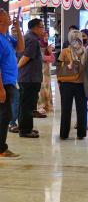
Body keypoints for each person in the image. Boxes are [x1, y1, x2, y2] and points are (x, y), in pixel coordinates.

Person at [58, 30, 88, 140]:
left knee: (79, 109)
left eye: (78, 38)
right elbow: (60, 68)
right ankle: (65, 133)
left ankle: (78, 133)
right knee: (69, 109)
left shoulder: (85, 52)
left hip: (77, 84)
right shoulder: (69, 51)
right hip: (69, 84)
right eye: (74, 38)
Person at [0, 9, 24, 158]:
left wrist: (18, 29)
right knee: (5, 115)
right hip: (4, 83)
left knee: (5, 115)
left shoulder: (6, 37)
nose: (11, 17)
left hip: (9, 81)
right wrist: (1, 87)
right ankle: (1, 148)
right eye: (7, 16)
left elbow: (21, 48)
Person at [18, 18, 45, 138]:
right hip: (30, 78)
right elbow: (27, 57)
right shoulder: (33, 40)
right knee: (28, 105)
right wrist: (16, 68)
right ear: (34, 27)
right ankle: (25, 130)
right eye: (41, 26)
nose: (43, 29)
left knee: (25, 104)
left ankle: (25, 127)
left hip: (27, 77)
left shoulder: (28, 37)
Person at [8, 24, 22, 134]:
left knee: (15, 99)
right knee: (15, 98)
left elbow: (20, 47)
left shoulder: (8, 38)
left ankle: (11, 122)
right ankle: (12, 123)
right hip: (7, 77)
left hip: (14, 75)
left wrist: (18, 30)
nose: (15, 31)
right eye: (13, 30)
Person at [37, 31, 55, 116]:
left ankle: (47, 105)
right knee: (41, 87)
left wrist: (50, 51)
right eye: (44, 35)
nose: (46, 37)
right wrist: (48, 56)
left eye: (47, 35)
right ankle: (40, 105)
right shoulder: (37, 44)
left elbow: (52, 59)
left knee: (47, 87)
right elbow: (41, 58)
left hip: (46, 69)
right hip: (39, 69)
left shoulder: (47, 45)